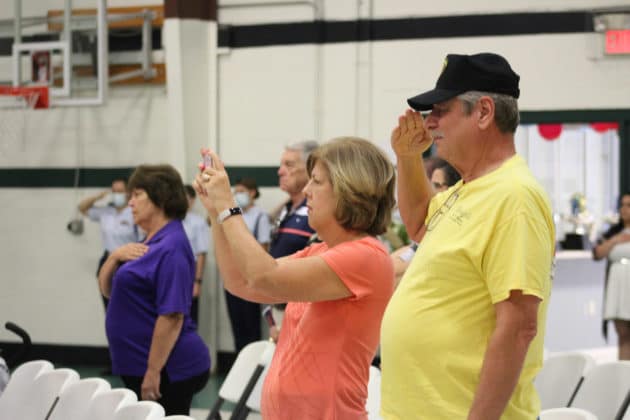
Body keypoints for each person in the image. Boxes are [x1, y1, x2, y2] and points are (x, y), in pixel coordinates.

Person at [380, 53, 555, 420]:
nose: (430, 122)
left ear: (484, 112)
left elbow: (519, 325)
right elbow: (419, 227)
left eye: (441, 110)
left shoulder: (514, 197)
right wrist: (408, 157)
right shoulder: (468, 188)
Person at [194, 137, 396, 419]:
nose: (307, 190)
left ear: (349, 189)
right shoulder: (322, 250)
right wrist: (216, 212)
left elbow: (263, 276)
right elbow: (241, 282)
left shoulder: (366, 257)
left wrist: (229, 206)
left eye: (316, 181)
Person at [98, 164, 210, 416]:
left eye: (137, 195)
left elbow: (172, 316)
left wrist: (153, 371)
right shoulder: (147, 242)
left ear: (160, 197)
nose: (130, 203)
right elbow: (109, 292)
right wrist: (113, 257)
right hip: (139, 364)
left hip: (170, 369)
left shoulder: (172, 246)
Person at [267, 140, 319, 338]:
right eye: (281, 165)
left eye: (289, 165)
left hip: (301, 319)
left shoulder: (316, 213)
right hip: (277, 311)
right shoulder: (285, 210)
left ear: (310, 169)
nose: (280, 171)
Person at [390, 158, 460, 285]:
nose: (432, 191)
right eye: (431, 184)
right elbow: (411, 251)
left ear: (454, 189)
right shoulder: (432, 220)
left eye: (437, 186)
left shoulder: (452, 227)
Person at [222, 177, 272, 351]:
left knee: (251, 325)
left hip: (250, 277)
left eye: (241, 192)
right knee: (236, 323)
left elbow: (263, 247)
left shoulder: (260, 216)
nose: (238, 196)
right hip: (232, 275)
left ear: (252, 192)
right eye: (236, 192)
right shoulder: (234, 215)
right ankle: (239, 362)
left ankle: (253, 366)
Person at [78, 177, 140, 308]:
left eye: (120, 191)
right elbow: (82, 208)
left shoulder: (134, 212)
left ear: (128, 192)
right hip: (109, 259)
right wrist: (98, 197)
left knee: (128, 305)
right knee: (109, 304)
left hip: (129, 261)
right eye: (114, 191)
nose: (117, 194)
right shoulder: (106, 212)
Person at [593, 192, 630, 359]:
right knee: (623, 335)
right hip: (618, 287)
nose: (624, 209)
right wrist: (616, 240)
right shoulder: (614, 232)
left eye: (628, 205)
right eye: (622, 205)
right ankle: (624, 376)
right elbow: (597, 254)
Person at [182, 185, 210, 326]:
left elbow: (201, 254)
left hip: (189, 270)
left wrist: (197, 281)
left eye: (185, 198)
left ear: (192, 200)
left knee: (189, 316)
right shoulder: (168, 220)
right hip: (171, 270)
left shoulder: (197, 223)